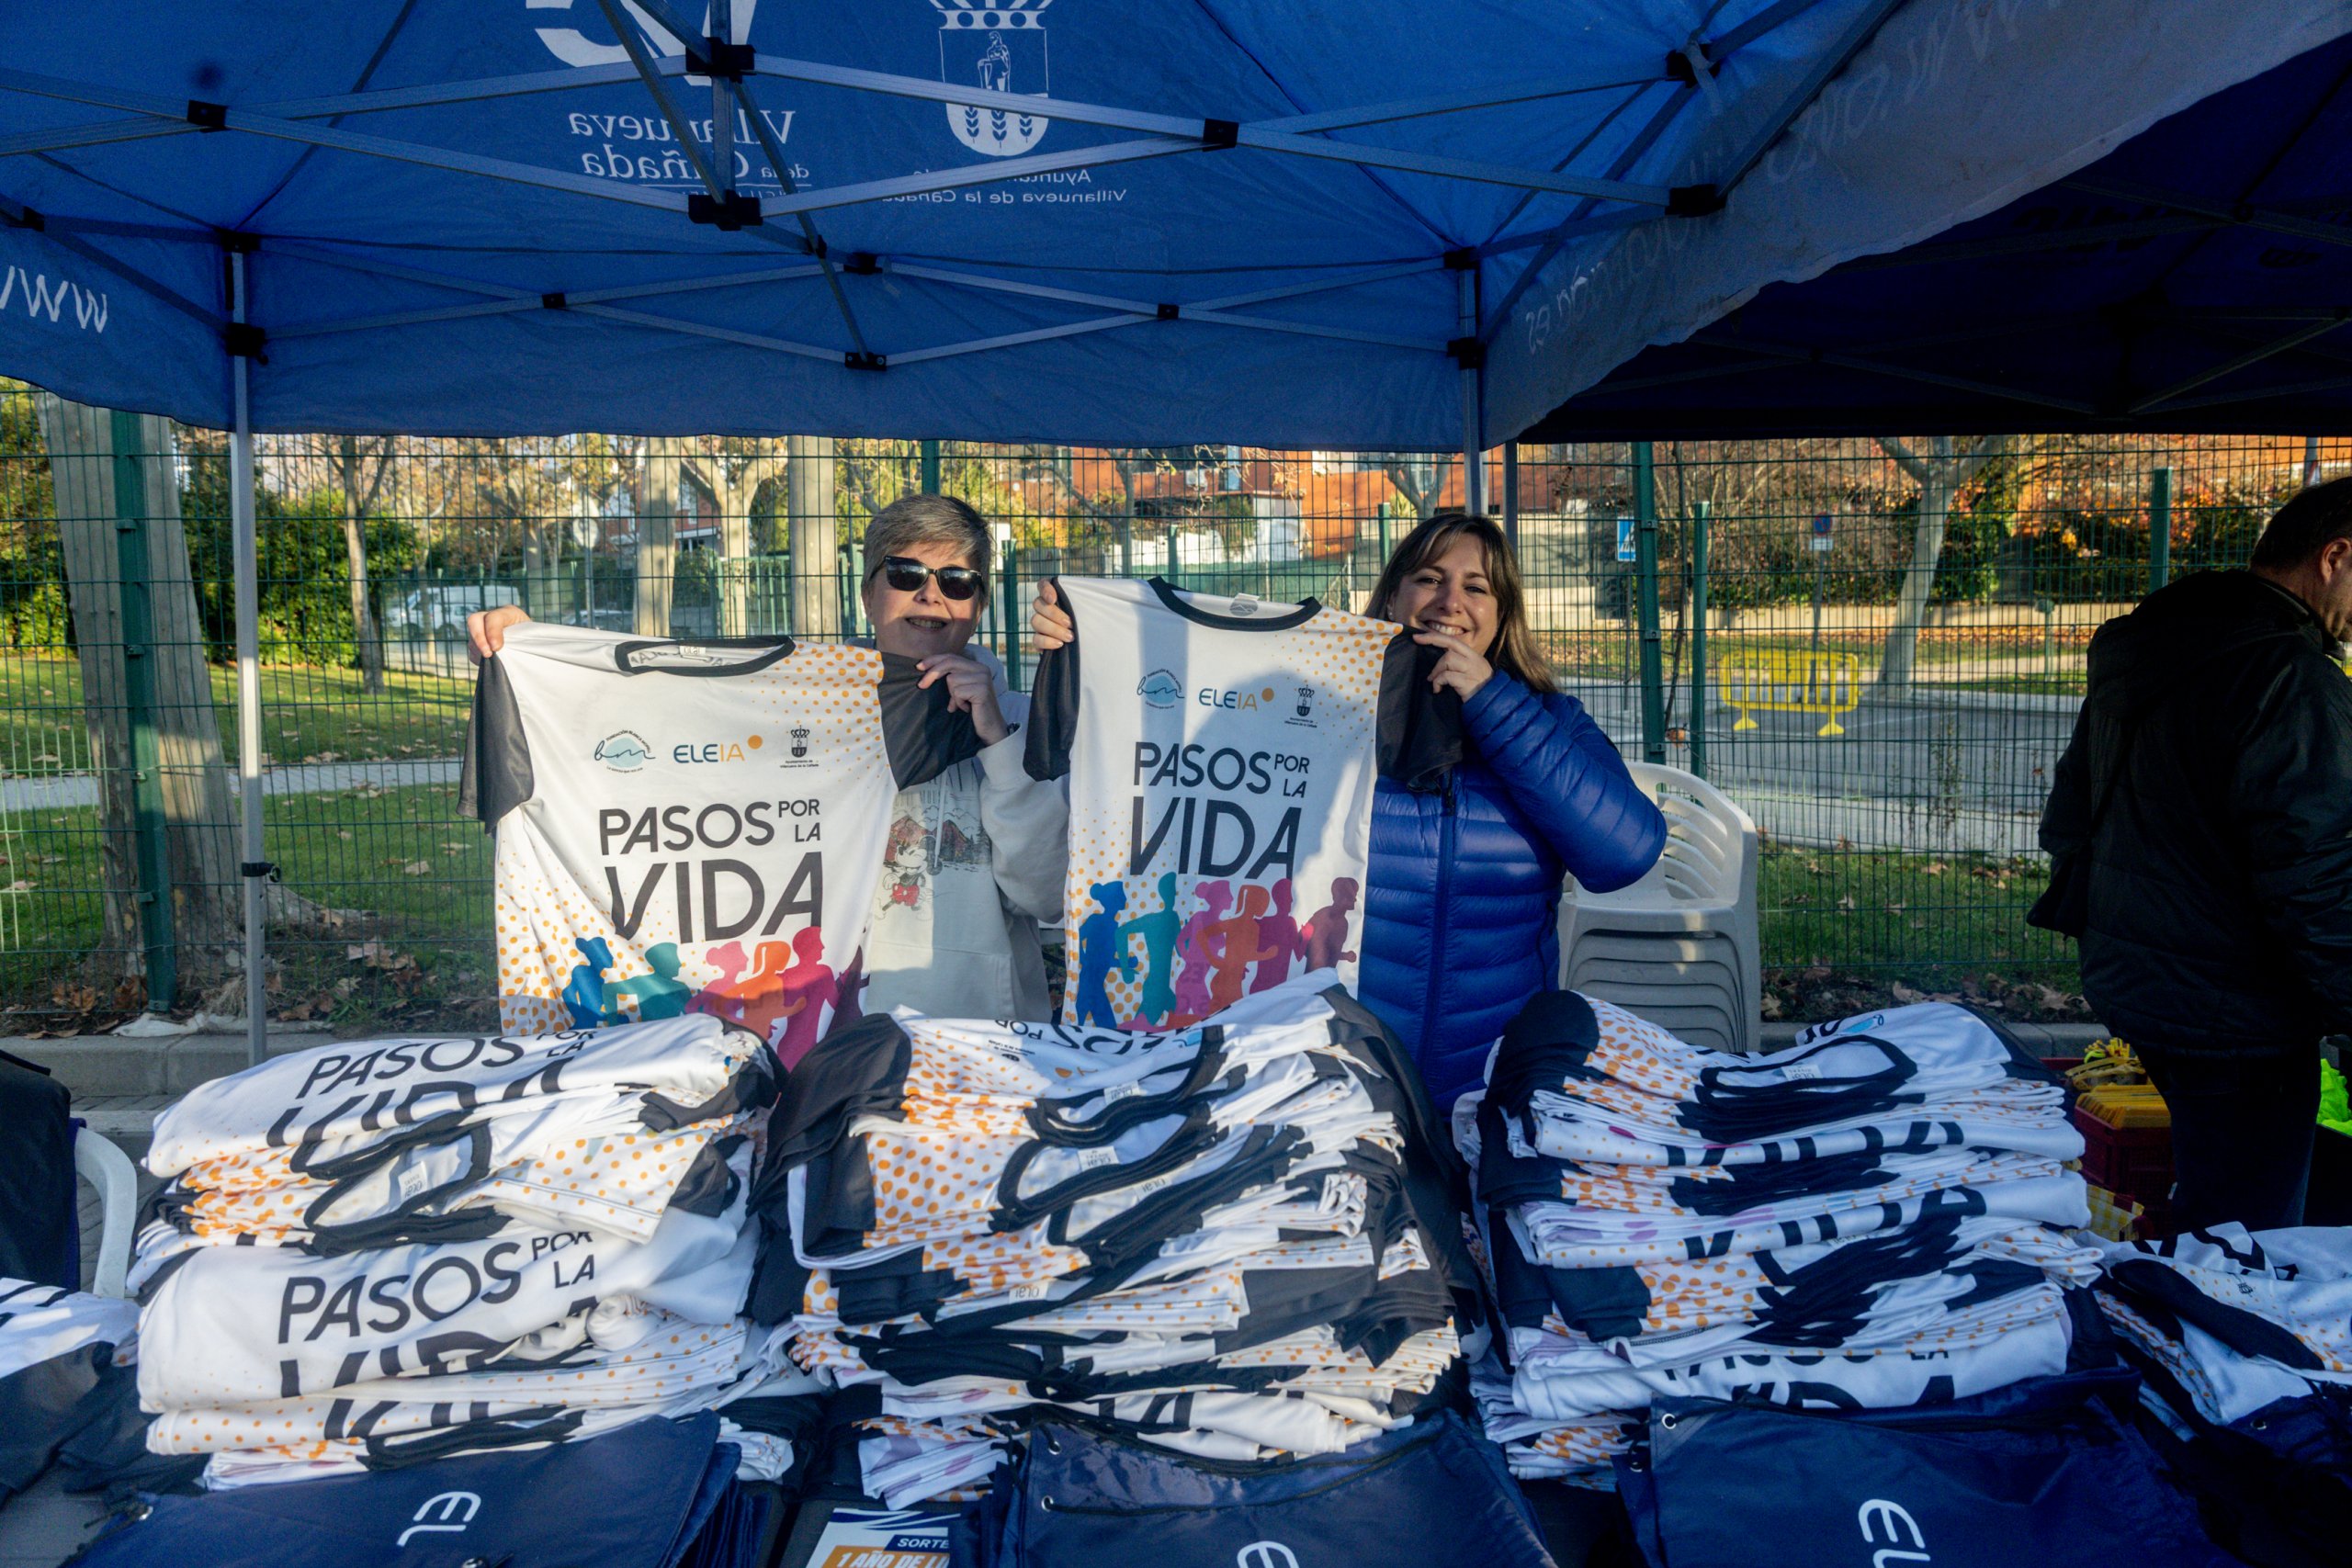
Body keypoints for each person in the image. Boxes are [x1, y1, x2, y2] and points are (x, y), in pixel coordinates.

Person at [1031, 510, 1665, 1106]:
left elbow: (1626, 853)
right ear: (1392, 596)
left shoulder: (1548, 721)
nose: (1450, 602)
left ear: (1502, 615)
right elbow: (1189, 734)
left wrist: (1493, 705)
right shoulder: (1328, 709)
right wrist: (1090, 642)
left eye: (1476, 587)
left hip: (1492, 1082)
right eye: (1429, 579)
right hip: (1343, 1083)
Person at [468, 493, 1069, 1021]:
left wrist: (997, 743)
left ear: (980, 605)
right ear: (867, 593)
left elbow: (1047, 897)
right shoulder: (800, 712)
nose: (932, 593)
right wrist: (533, 663)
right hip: (826, 1037)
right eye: (907, 572)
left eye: (957, 580)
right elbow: (662, 726)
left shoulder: (1018, 724)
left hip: (973, 1046)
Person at [2033, 478, 2352, 1230]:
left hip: (2141, 981)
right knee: (2247, 1235)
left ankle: (2167, 1292)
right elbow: (2320, 878)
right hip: (2236, 1013)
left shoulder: (2158, 642)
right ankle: (2190, 1327)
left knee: (2212, 1198)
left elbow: (2070, 811)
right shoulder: (2290, 676)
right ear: (2335, 556)